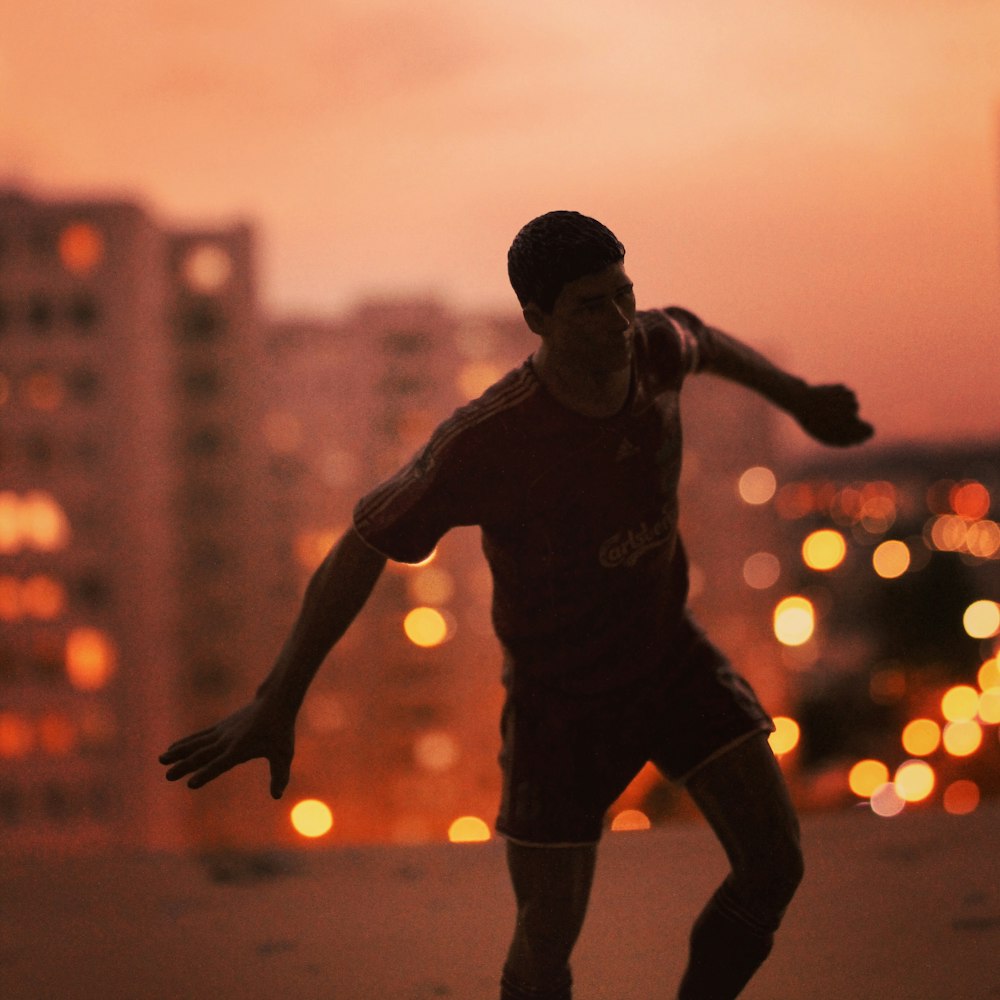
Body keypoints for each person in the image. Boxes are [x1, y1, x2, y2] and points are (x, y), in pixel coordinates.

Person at [160, 210, 873, 999]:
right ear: (538, 319)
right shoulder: (490, 439)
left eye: (624, 294)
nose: (618, 320)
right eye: (590, 306)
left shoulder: (653, 349)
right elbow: (364, 540)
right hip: (559, 705)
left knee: (775, 864)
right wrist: (276, 698)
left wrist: (800, 398)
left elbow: (700, 336)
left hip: (669, 657)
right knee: (545, 939)